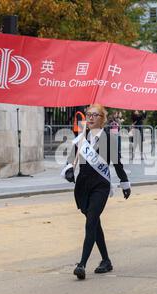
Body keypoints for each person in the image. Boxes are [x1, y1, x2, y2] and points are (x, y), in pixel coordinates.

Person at [62, 103, 131, 280]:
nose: (90, 118)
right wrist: (69, 169)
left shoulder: (110, 139)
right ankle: (106, 260)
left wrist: (124, 183)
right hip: (83, 186)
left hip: (100, 186)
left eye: (95, 115)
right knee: (95, 223)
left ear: (102, 119)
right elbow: (71, 158)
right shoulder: (82, 137)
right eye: (89, 114)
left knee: (91, 221)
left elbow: (117, 164)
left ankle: (82, 264)